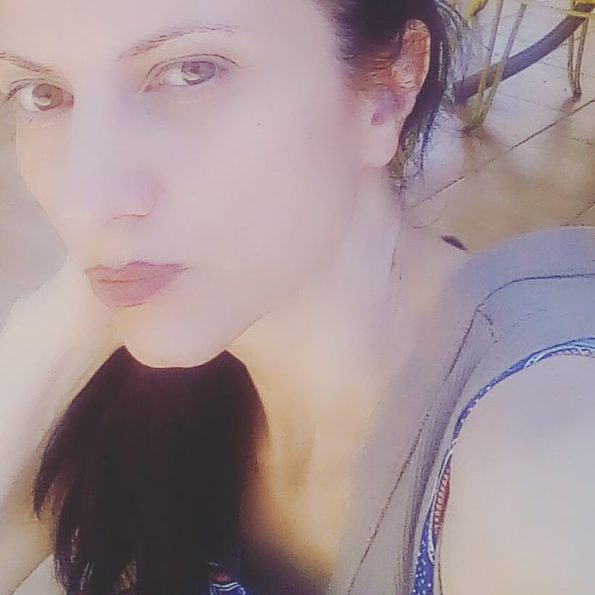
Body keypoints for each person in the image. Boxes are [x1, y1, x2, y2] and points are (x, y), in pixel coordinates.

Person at [1, 1, 594, 595]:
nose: (84, 201)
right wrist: (65, 317)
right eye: (41, 94)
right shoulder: (143, 386)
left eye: (193, 71)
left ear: (388, 87)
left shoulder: (544, 463)